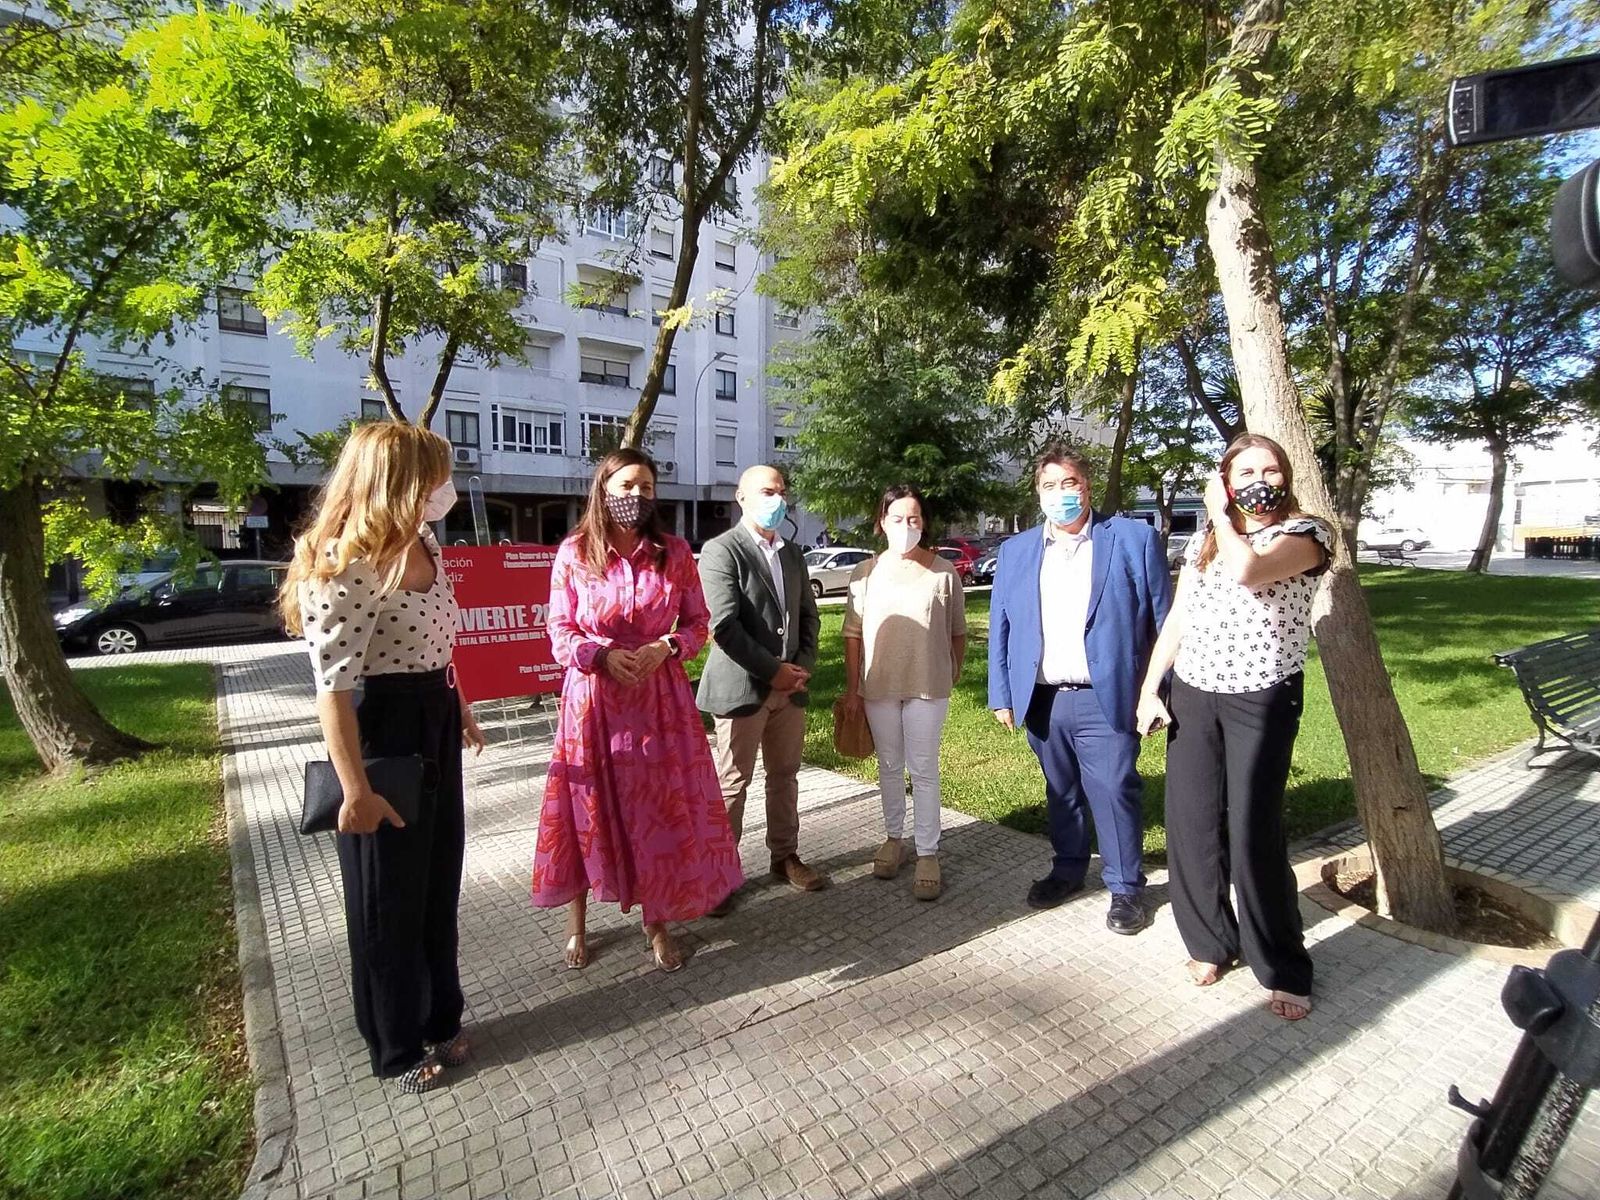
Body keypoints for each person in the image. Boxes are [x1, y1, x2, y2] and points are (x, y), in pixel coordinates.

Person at [279, 421, 487, 1095]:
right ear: (399, 481)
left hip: (432, 718)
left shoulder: (423, 540)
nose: (443, 489)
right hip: (383, 736)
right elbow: (333, 694)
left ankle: (440, 1016)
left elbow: (434, 645)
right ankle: (395, 1047)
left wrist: (458, 706)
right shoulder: (345, 563)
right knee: (386, 900)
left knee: (435, 884)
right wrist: (355, 791)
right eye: (434, 475)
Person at [1136, 433, 1330, 1021]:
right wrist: (1151, 687)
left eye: (1268, 469)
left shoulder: (1305, 534)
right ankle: (1209, 943)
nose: (1257, 480)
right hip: (1195, 694)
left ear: (1285, 476)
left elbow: (1248, 573)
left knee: (1253, 834)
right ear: (1226, 476)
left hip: (1261, 698)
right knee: (1191, 826)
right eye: (1243, 470)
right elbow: (1179, 619)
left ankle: (1281, 966)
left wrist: (1221, 513)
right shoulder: (1204, 542)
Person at [532, 449, 742, 972]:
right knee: (587, 806)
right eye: (626, 485)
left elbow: (699, 623)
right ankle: (576, 924)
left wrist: (666, 647)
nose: (636, 496)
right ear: (603, 489)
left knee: (657, 811)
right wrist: (599, 655)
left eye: (646, 487)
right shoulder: (575, 553)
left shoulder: (674, 553)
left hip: (658, 701)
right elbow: (559, 630)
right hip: (594, 702)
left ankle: (658, 922)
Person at [988, 445, 1171, 934]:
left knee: (1113, 789)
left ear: (1086, 486)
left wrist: (1159, 691)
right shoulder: (1016, 550)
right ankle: (1068, 869)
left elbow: (1163, 622)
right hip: (1042, 698)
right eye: (1049, 486)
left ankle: (1127, 888)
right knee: (1061, 789)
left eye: (1069, 483)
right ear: (1037, 492)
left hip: (1105, 695)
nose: (1060, 495)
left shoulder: (1133, 539)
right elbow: (1002, 626)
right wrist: (1001, 693)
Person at [696, 465, 824, 909]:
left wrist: (801, 666)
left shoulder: (791, 553)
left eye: (782, 492)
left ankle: (785, 856)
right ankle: (719, 874)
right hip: (743, 688)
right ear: (741, 497)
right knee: (733, 783)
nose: (777, 500)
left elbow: (810, 615)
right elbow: (724, 626)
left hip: (791, 688)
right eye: (767, 491)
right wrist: (773, 672)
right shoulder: (721, 551)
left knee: (785, 776)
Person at [841, 485, 967, 901]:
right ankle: (894, 837)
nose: (906, 526)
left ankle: (928, 851)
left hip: (928, 686)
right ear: (882, 522)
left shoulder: (943, 571)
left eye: (913, 518)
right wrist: (852, 688)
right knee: (890, 766)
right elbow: (853, 635)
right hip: (877, 686)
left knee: (924, 768)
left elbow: (957, 631)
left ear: (924, 523)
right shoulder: (864, 573)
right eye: (897, 518)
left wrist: (952, 670)